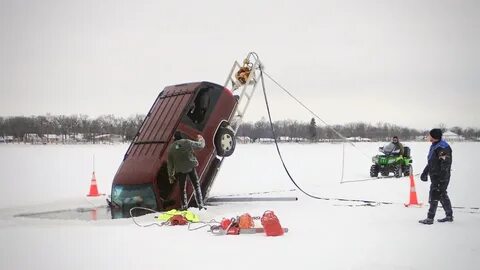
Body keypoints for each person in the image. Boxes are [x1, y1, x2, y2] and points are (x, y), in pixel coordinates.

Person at [419, 128, 453, 225]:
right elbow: (432, 161)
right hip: (435, 175)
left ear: (434, 137)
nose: (428, 137)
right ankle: (449, 216)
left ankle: (430, 218)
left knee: (434, 194)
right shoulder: (435, 145)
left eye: (430, 135)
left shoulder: (442, 147)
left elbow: (445, 164)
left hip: (441, 177)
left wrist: (441, 180)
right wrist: (425, 173)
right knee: (442, 195)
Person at [167, 132, 206, 210]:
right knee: (196, 186)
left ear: (174, 138)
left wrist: (171, 176)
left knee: (182, 189)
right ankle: (200, 204)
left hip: (180, 170)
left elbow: (170, 164)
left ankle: (184, 206)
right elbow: (200, 146)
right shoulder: (187, 142)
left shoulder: (171, 148)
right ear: (181, 137)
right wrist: (201, 139)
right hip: (191, 167)